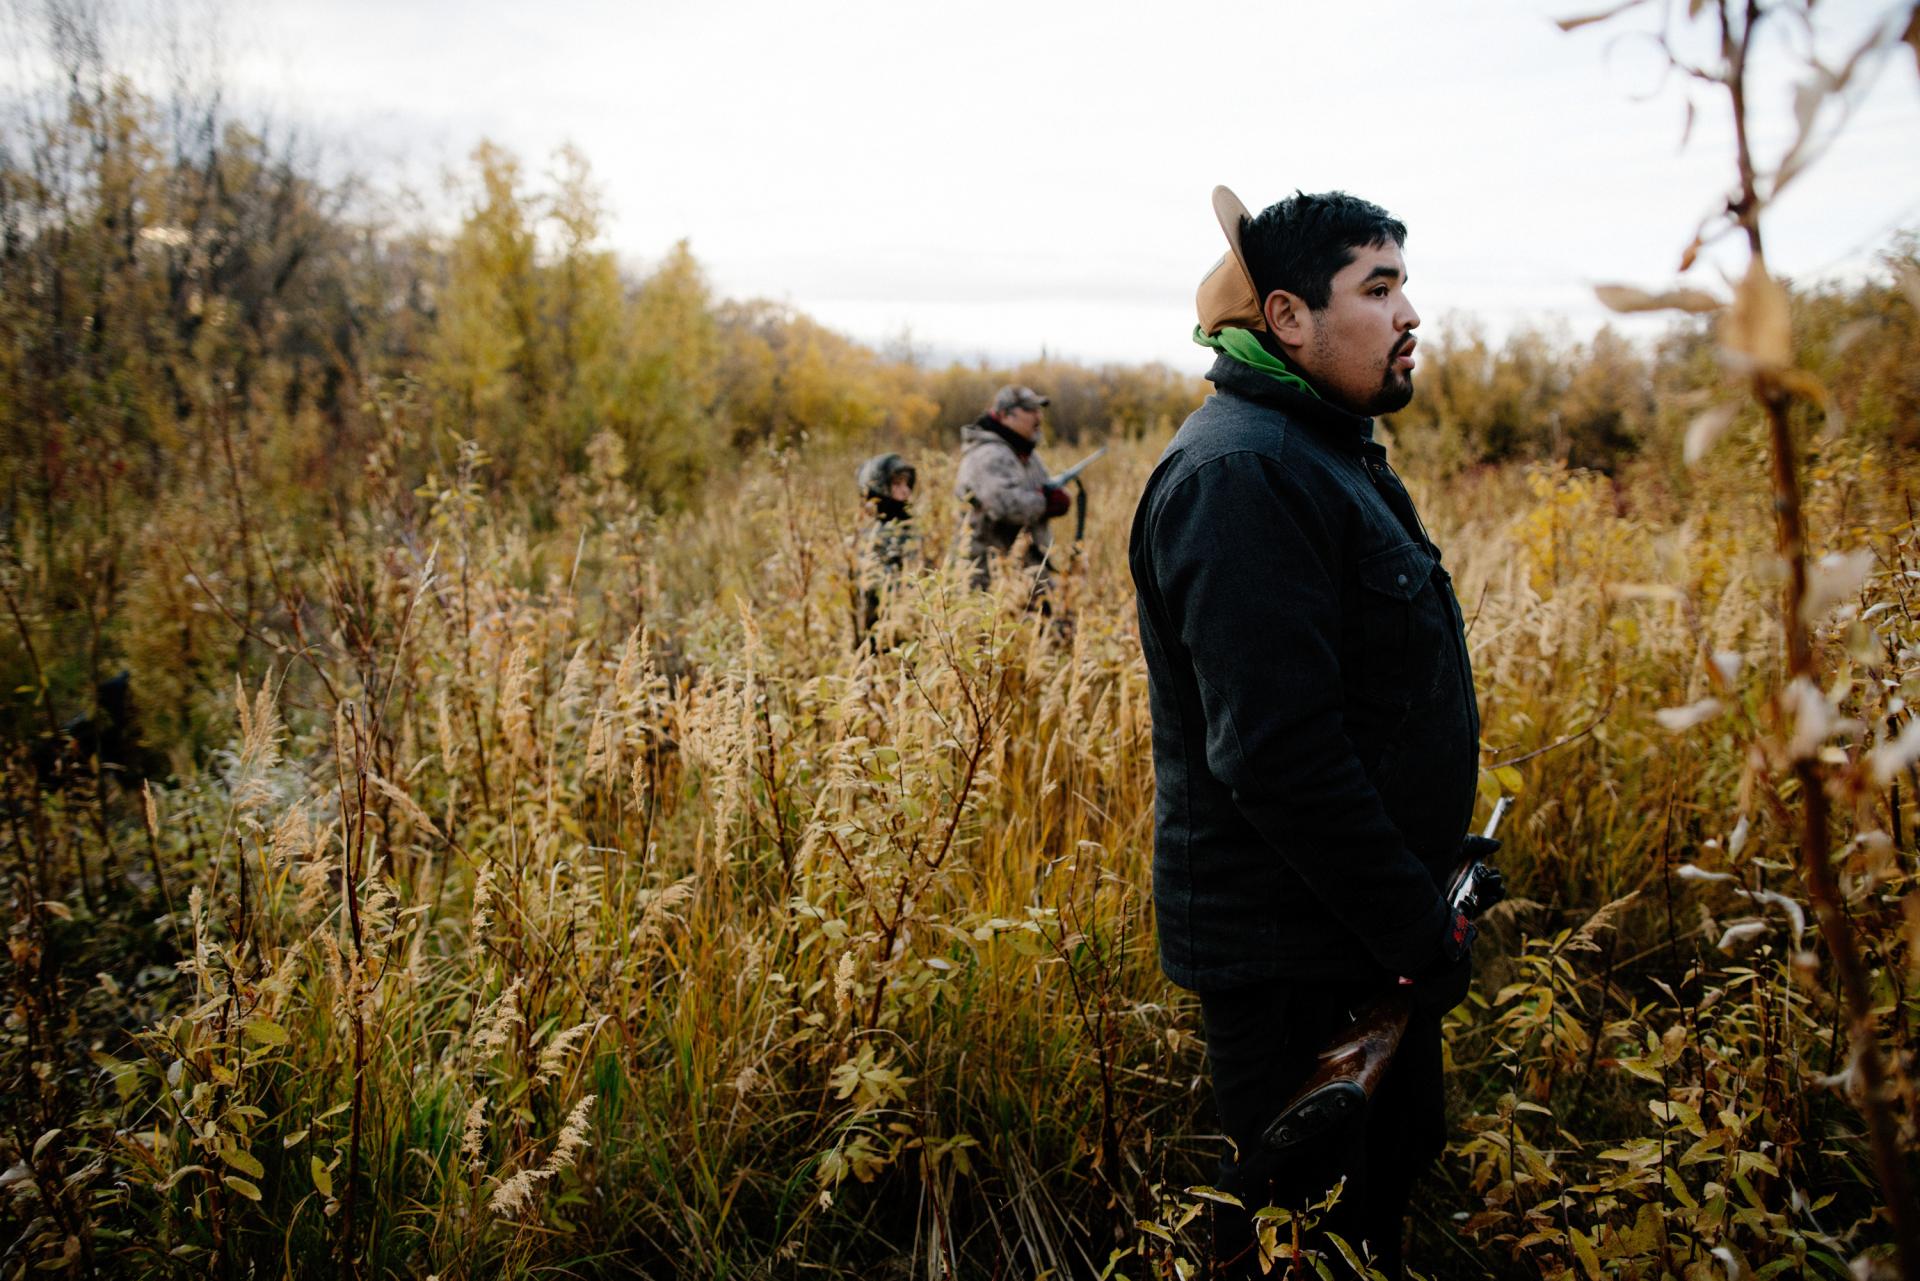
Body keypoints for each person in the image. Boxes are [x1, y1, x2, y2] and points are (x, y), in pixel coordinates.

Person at [1127, 187, 1483, 1278]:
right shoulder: (1244, 473)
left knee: (1382, 1189)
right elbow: (1278, 757)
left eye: (1404, 283)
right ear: (1286, 317)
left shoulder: (1322, 451)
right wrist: (1417, 930)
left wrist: (1430, 879)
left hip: (1363, 936)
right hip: (1296, 957)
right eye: (1378, 288)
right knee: (1311, 1239)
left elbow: (1365, 707)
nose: (1411, 312)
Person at [954, 384, 1073, 594]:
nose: (1038, 417)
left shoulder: (1025, 452)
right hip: (991, 580)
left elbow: (1041, 488)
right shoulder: (989, 454)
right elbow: (1003, 506)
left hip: (1026, 572)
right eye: (1030, 410)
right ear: (1004, 415)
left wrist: (1056, 496)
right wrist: (1046, 502)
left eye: (1039, 410)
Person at [854, 452, 919, 643]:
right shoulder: (874, 532)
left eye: (907, 484)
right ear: (879, 488)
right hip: (882, 626)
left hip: (906, 620)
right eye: (897, 485)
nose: (906, 491)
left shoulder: (905, 524)